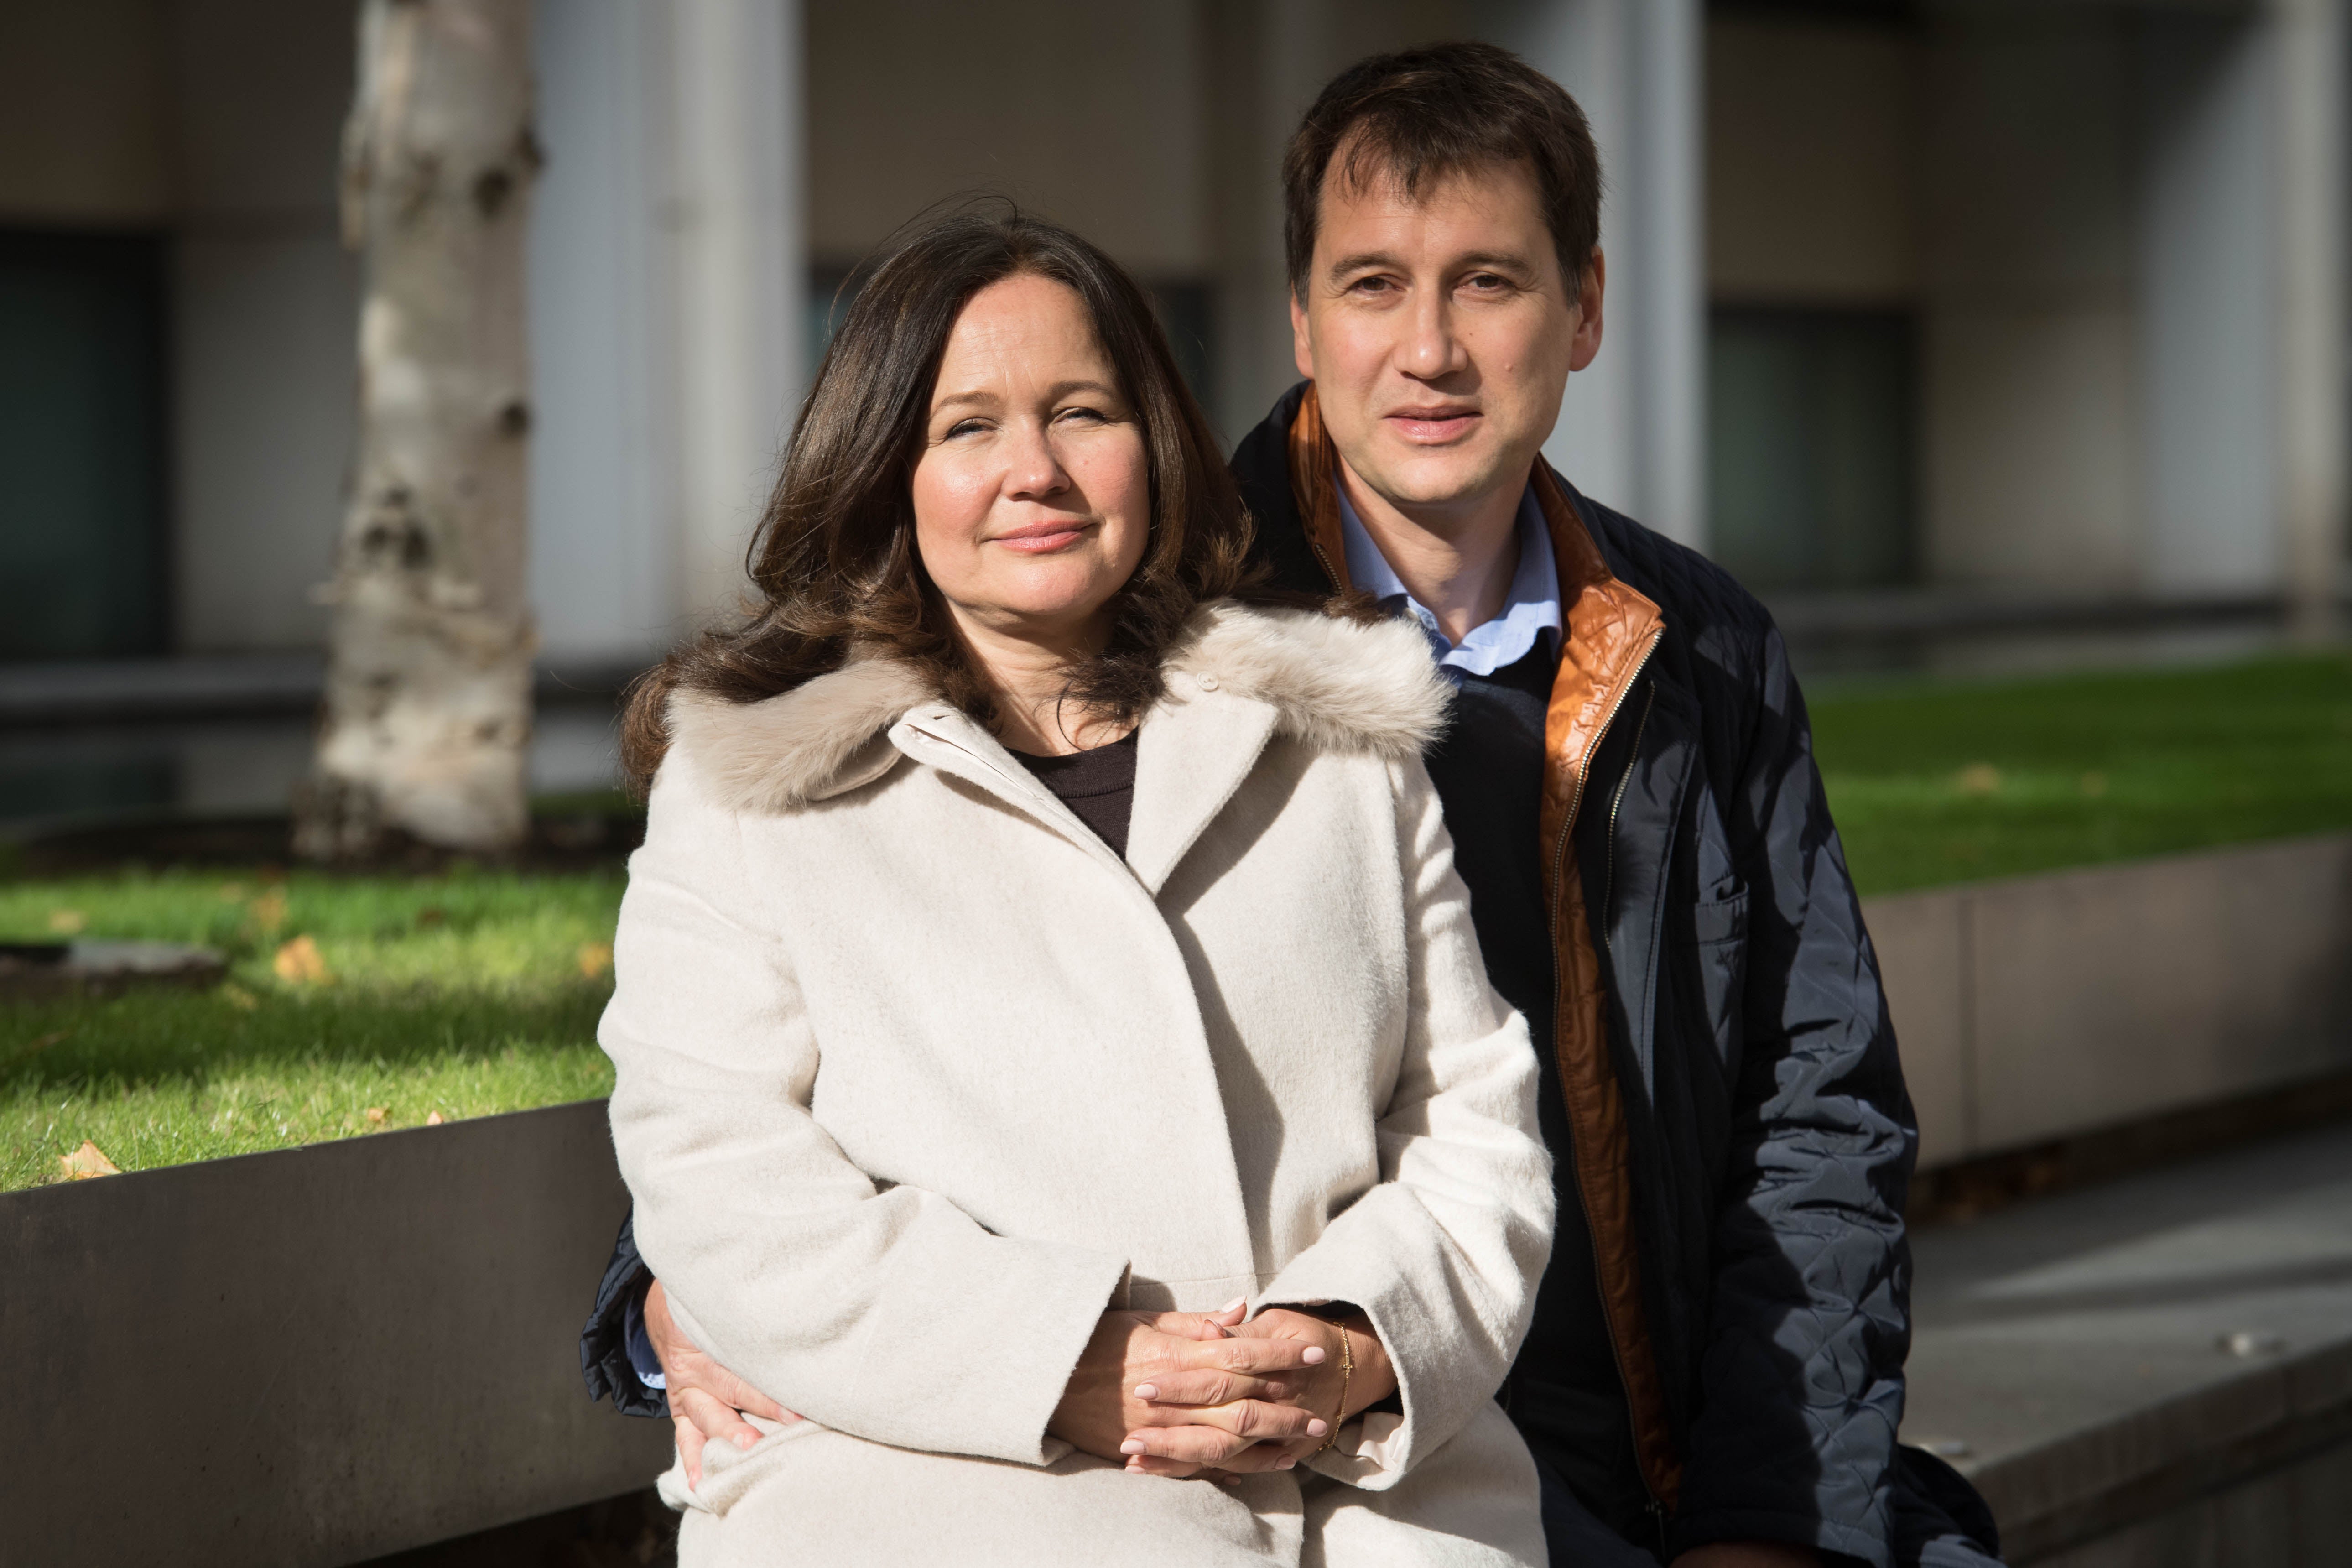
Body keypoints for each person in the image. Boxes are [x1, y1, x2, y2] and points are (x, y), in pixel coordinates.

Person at [586, 40, 2007, 1568]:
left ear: (1584, 308)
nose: (1430, 352)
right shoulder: (1166, 599)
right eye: (1374, 285)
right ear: (1301, 319)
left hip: (1609, 1421)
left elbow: (1816, 1110)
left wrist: (1769, 1520)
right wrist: (663, 1297)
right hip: (1308, 1439)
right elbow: (803, 1030)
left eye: (1489, 282)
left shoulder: (1695, 643)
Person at [594, 207, 1556, 1566]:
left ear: (1152, 447)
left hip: (1370, 1490)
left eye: (1082, 412)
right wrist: (1064, 1363)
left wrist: (1350, 1344)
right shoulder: (755, 787)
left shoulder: (1339, 743)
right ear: (886, 472)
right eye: (966, 426)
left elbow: (1472, 1119)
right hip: (933, 1486)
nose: (1032, 471)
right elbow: (718, 1169)